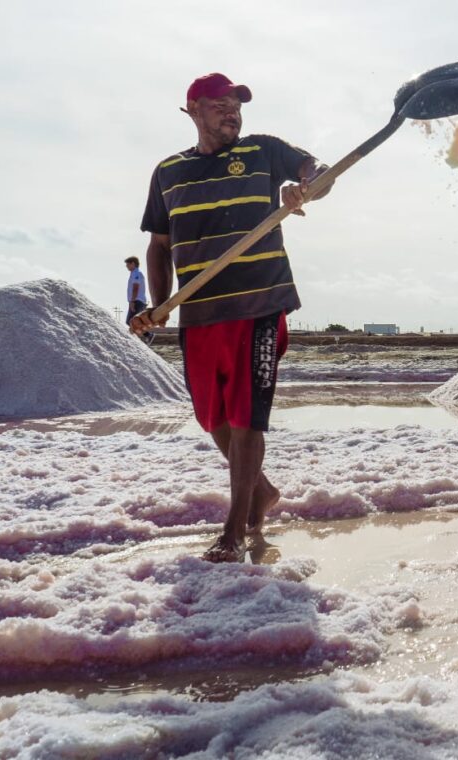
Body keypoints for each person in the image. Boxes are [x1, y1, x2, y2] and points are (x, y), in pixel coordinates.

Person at [130, 72, 332, 563]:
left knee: (245, 417)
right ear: (193, 110)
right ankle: (260, 490)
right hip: (198, 312)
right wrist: (157, 305)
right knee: (212, 417)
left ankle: (236, 528)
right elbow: (159, 245)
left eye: (236, 104)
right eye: (219, 104)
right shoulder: (168, 172)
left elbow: (320, 170)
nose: (231, 111)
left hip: (259, 303)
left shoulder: (263, 151)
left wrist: (304, 187)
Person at [123, 256, 151, 342]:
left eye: (128, 264)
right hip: (137, 300)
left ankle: (148, 335)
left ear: (133, 263)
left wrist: (132, 301)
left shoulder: (136, 273)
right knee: (132, 321)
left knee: (130, 321)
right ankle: (141, 337)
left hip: (137, 301)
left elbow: (136, 288)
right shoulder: (134, 273)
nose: (126, 266)